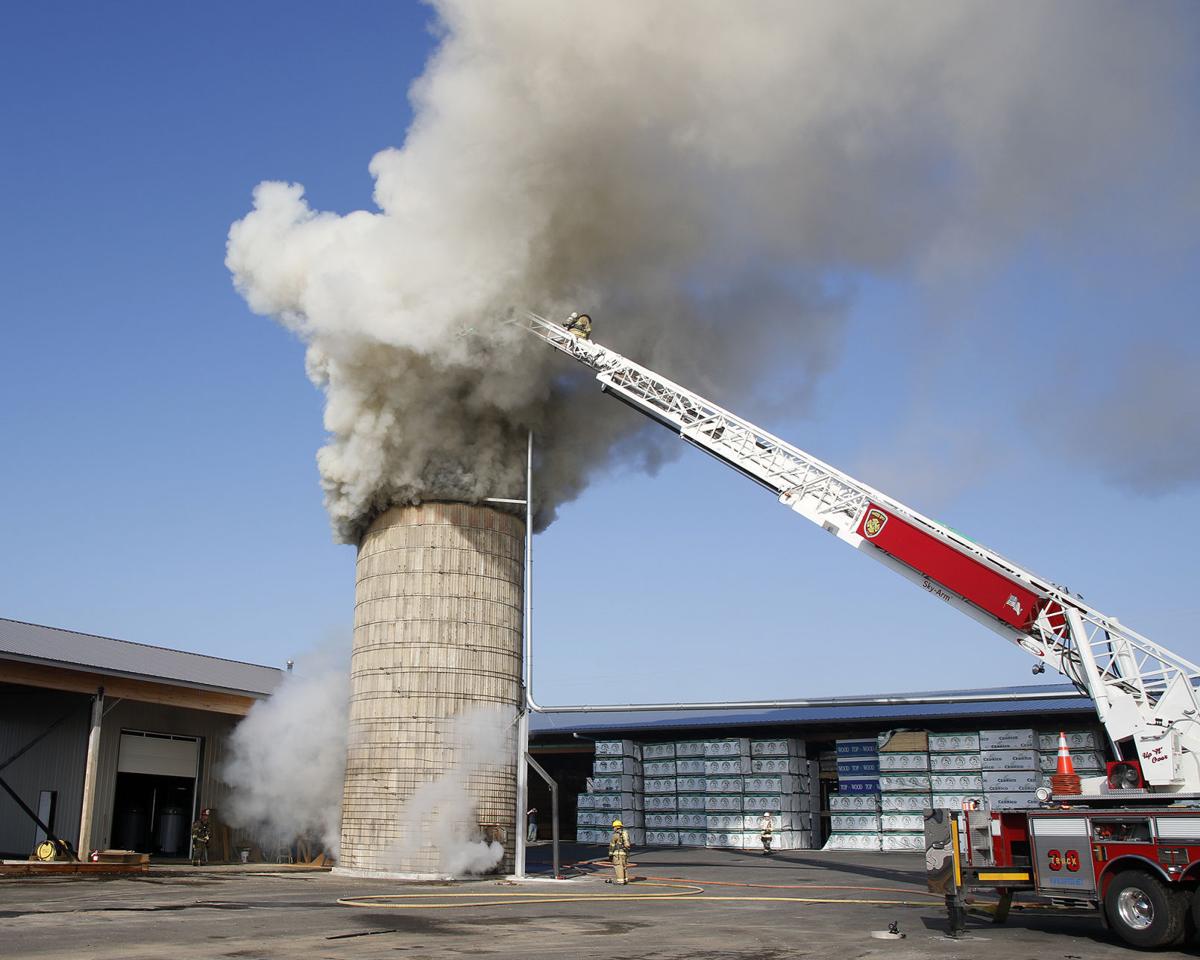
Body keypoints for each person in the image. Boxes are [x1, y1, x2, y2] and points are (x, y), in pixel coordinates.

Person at [608, 818, 631, 884]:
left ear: (615, 827)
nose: (613, 828)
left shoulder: (615, 835)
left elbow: (612, 846)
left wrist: (610, 855)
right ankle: (625, 880)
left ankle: (620, 881)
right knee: (624, 866)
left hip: (617, 854)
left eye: (613, 827)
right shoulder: (624, 834)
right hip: (624, 853)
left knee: (618, 867)